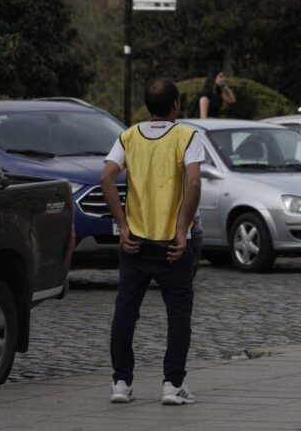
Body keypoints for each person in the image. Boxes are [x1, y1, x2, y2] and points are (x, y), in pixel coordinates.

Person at [100, 77, 204, 405]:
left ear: (148, 106)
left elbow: (106, 176)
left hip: (135, 242)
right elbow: (194, 183)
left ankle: (121, 382)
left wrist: (123, 226)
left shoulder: (128, 136)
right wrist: (182, 229)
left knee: (125, 312)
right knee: (178, 314)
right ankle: (173, 385)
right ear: (176, 105)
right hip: (172, 245)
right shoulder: (187, 136)